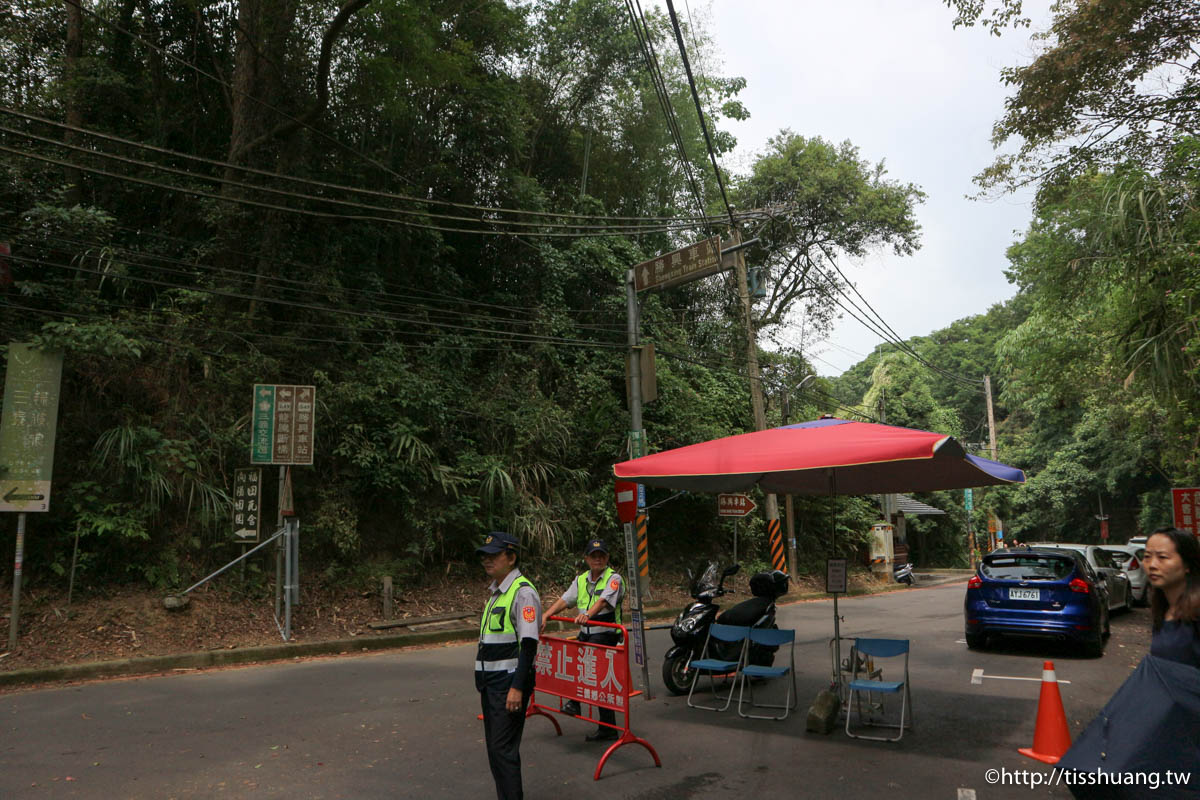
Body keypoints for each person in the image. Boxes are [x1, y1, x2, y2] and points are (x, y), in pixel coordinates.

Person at [475, 532, 541, 800]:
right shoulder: (496, 592)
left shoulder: (523, 593)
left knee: (504, 751)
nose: (487, 561)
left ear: (511, 557)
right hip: (491, 685)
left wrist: (517, 687)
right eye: (484, 556)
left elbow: (528, 645)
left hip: (508, 685)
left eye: (494, 555)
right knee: (495, 750)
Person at [541, 538, 625, 742]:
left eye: (601, 555)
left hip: (606, 633)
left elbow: (604, 600)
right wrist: (546, 615)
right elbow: (565, 599)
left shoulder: (614, 578)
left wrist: (587, 614)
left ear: (607, 557)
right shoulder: (580, 580)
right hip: (587, 632)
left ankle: (575, 703)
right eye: (593, 556)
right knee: (591, 675)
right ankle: (608, 727)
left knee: (590, 671)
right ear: (586, 558)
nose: (598, 559)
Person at [1143, 526, 1200, 667]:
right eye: (1147, 557)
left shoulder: (1196, 612)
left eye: (1162, 557)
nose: (1152, 565)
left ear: (1187, 564)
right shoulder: (1163, 611)